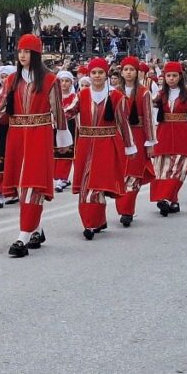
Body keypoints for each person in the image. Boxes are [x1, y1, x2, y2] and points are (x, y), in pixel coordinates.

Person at [0, 34, 72, 257]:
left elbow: (58, 112)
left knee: (32, 183)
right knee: (20, 185)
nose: (22, 56)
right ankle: (36, 229)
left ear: (36, 55)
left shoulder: (50, 80)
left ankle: (23, 236)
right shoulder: (11, 81)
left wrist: (63, 139)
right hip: (17, 135)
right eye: (20, 52)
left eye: (27, 52)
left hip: (39, 134)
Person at [70, 58, 137, 240]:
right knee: (86, 185)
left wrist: (130, 147)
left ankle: (93, 222)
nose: (97, 76)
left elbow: (124, 123)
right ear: (89, 75)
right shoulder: (82, 95)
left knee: (97, 185)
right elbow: (68, 111)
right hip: (85, 145)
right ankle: (92, 222)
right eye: (93, 73)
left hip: (107, 144)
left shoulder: (116, 96)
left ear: (106, 74)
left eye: (100, 72)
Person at [151, 62, 187, 214]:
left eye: (174, 76)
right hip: (163, 134)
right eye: (168, 76)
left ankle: (166, 198)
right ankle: (173, 202)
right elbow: (149, 113)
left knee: (178, 169)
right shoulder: (159, 96)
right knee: (162, 169)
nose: (171, 79)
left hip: (182, 135)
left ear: (180, 77)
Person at [117, 57, 156, 227]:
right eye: (125, 69)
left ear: (138, 72)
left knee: (133, 174)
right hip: (119, 137)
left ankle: (127, 211)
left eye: (131, 69)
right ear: (121, 72)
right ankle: (122, 207)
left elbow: (148, 117)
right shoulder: (115, 91)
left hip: (138, 136)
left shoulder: (144, 92)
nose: (128, 72)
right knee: (120, 173)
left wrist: (150, 143)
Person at [0, 65, 18, 208]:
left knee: (14, 161)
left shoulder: (17, 92)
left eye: (7, 76)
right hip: (0, 129)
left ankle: (13, 191)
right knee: (0, 160)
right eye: (3, 76)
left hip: (15, 129)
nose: (4, 79)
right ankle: (0, 192)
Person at [52, 70, 77, 192]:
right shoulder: (54, 97)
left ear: (71, 83)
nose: (64, 83)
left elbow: (71, 109)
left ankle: (62, 178)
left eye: (67, 81)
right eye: (62, 81)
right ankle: (60, 177)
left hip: (69, 126)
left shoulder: (74, 97)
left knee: (66, 151)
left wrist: (61, 115)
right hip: (55, 126)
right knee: (55, 151)